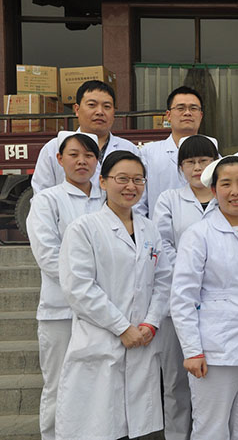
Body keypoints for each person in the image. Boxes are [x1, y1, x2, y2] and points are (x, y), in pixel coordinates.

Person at [56, 151, 171, 440]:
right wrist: (122, 327)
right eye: (122, 179)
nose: (131, 186)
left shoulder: (149, 228)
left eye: (138, 180)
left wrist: (151, 322)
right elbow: (79, 288)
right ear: (103, 182)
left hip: (143, 340)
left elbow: (163, 280)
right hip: (100, 340)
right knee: (98, 425)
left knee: (136, 428)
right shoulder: (84, 228)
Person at [170, 156, 238, 440]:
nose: (235, 191)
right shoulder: (199, 234)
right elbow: (183, 297)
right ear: (214, 190)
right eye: (226, 184)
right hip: (215, 350)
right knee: (211, 427)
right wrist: (192, 350)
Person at [26, 131, 103, 440]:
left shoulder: (107, 199)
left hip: (102, 312)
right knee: (59, 384)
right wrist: (90, 286)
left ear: (97, 161)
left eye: (89, 155)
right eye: (74, 155)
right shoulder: (46, 201)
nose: (82, 161)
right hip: (60, 311)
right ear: (59, 159)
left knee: (97, 385)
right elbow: (49, 256)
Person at [152, 134, 219, 440]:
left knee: (214, 379)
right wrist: (190, 269)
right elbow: (162, 243)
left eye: (204, 161)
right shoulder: (169, 199)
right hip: (177, 298)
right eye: (190, 162)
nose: (197, 168)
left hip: (217, 300)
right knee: (176, 381)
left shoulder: (226, 198)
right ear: (180, 168)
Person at [32, 80, 139, 194]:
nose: (100, 112)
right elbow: (41, 195)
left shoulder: (129, 149)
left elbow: (138, 195)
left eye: (107, 106)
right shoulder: (54, 148)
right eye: (92, 105)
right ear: (77, 109)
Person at [136, 86, 206, 219]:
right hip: (158, 229)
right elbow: (138, 203)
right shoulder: (148, 154)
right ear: (168, 115)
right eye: (181, 108)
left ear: (201, 115)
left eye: (193, 108)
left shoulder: (213, 155)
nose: (187, 113)